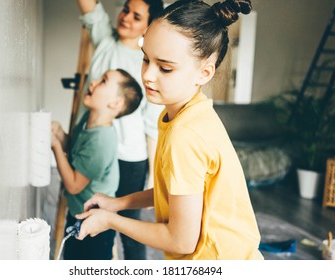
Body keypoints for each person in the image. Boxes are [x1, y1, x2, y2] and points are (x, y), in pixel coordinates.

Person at [75, 0, 264, 260]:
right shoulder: (185, 112)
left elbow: (181, 240)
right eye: (145, 59)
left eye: (165, 68)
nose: (148, 76)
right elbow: (175, 192)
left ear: (204, 72)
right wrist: (116, 203)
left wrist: (111, 221)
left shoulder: (185, 134)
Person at [76, 0, 164, 260]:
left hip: (129, 159)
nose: (126, 18)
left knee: (128, 226)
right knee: (95, 220)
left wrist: (152, 169)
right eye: (126, 9)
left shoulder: (148, 63)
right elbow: (88, 7)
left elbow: (152, 123)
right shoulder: (104, 39)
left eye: (137, 17)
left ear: (148, 25)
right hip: (96, 149)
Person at [51, 68, 143, 260]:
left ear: (115, 103)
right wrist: (60, 134)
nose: (93, 82)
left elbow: (74, 185)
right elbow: (77, 151)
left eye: (103, 81)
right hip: (79, 212)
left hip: (97, 223)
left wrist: (55, 148)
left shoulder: (102, 141)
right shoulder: (88, 119)